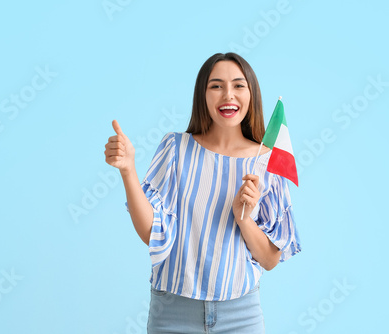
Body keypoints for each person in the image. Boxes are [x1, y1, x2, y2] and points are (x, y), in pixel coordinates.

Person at [104, 52, 301, 333]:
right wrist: (128, 170)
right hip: (172, 311)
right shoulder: (175, 148)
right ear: (202, 95)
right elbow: (151, 233)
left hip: (241, 315)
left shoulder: (265, 163)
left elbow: (270, 260)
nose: (227, 95)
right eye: (216, 85)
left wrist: (244, 219)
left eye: (238, 85)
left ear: (251, 93)